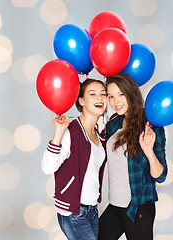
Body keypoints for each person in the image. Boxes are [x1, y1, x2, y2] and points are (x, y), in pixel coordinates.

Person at [98, 73, 168, 240]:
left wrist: (148, 150)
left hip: (138, 207)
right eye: (111, 96)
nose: (116, 102)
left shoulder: (151, 125)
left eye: (121, 94)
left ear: (131, 93)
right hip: (115, 205)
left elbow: (161, 176)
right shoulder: (113, 122)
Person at [41, 78, 108, 240]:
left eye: (103, 94)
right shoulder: (71, 130)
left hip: (92, 209)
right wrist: (59, 131)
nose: (99, 98)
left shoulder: (101, 136)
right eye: (93, 94)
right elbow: (47, 167)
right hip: (73, 212)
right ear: (82, 101)